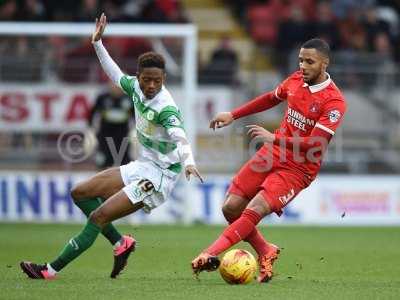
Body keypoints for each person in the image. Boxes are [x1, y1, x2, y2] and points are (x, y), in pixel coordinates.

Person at [20, 13, 203, 280]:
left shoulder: (165, 107)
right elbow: (114, 72)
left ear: (164, 79)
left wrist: (189, 162)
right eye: (146, 79)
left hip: (159, 176)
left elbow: (180, 137)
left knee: (98, 217)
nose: (151, 86)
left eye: (157, 81)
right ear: (139, 76)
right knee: (80, 193)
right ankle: (121, 243)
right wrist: (97, 43)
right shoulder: (135, 88)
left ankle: (49, 270)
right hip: (143, 165)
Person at [191, 38, 347, 283]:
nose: (303, 66)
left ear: (324, 64)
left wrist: (273, 138)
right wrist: (233, 114)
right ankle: (266, 251)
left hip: (298, 168)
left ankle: (209, 253)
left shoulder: (334, 101)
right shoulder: (295, 80)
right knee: (230, 208)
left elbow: (316, 144)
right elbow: (271, 98)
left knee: (254, 209)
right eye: (300, 60)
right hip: (273, 153)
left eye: (310, 61)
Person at [87, 82, 134, 169]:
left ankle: (122, 182)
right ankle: (101, 181)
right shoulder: (102, 98)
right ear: (109, 84)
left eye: (119, 85)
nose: (116, 87)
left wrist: (136, 131)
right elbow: (92, 113)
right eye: (114, 84)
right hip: (104, 138)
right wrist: (91, 129)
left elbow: (136, 117)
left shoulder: (129, 99)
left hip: (123, 138)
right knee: (102, 163)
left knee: (124, 165)